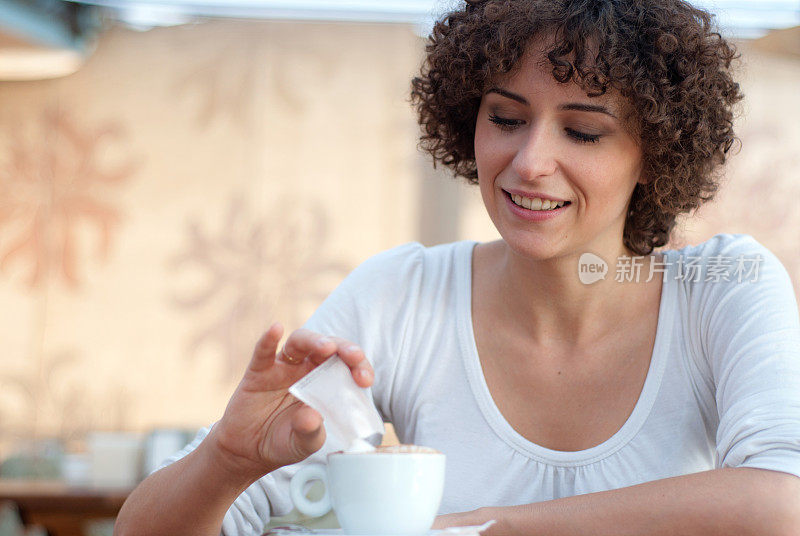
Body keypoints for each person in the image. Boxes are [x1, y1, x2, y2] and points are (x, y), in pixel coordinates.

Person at [115, 0, 800, 534]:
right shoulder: (402, 297)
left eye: (583, 130)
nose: (530, 161)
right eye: (505, 118)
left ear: (653, 150)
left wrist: (486, 529)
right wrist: (228, 464)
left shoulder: (722, 288)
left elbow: (782, 507)